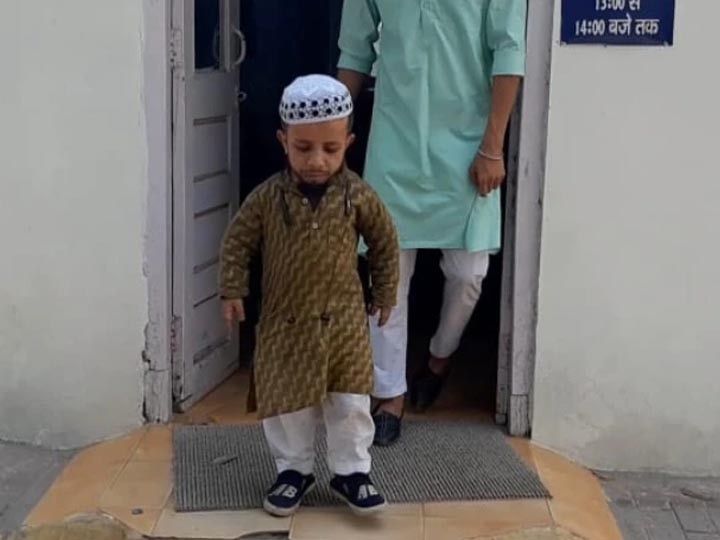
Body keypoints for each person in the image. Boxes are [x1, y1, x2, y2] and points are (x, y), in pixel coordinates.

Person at [337, 0, 527, 446]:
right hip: (395, 140)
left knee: (469, 273)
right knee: (388, 273)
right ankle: (389, 394)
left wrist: (493, 146)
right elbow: (354, 50)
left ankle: (441, 356)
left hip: (469, 144)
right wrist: (333, 135)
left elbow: (509, 51)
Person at [219, 74, 400, 517]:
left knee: (350, 401)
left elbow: (384, 242)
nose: (317, 161)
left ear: (348, 143)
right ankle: (293, 471)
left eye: (330, 149)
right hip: (286, 322)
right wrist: (232, 289)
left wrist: (385, 290)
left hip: (344, 325)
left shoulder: (358, 196)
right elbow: (237, 242)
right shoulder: (267, 199)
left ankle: (352, 472)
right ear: (284, 141)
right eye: (303, 148)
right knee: (289, 404)